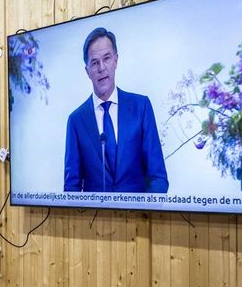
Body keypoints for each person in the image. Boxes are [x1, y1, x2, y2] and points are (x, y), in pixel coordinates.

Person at [64, 27, 169, 193]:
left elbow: (158, 177)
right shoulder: (76, 121)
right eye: (94, 62)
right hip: (95, 218)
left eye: (106, 58)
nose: (101, 68)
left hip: (139, 217)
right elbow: (71, 187)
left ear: (116, 60)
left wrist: (145, 215)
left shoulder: (141, 107)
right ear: (87, 71)